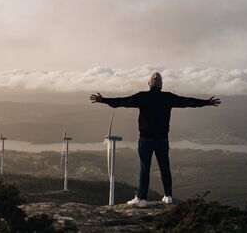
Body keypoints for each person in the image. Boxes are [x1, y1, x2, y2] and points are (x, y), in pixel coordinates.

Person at [90, 72, 221, 207]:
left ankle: (142, 198)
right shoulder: (168, 97)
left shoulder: (142, 97)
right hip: (162, 140)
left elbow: (122, 102)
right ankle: (168, 196)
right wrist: (206, 102)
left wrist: (104, 100)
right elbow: (187, 102)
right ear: (161, 85)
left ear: (149, 84)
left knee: (145, 168)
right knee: (165, 168)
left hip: (145, 139)